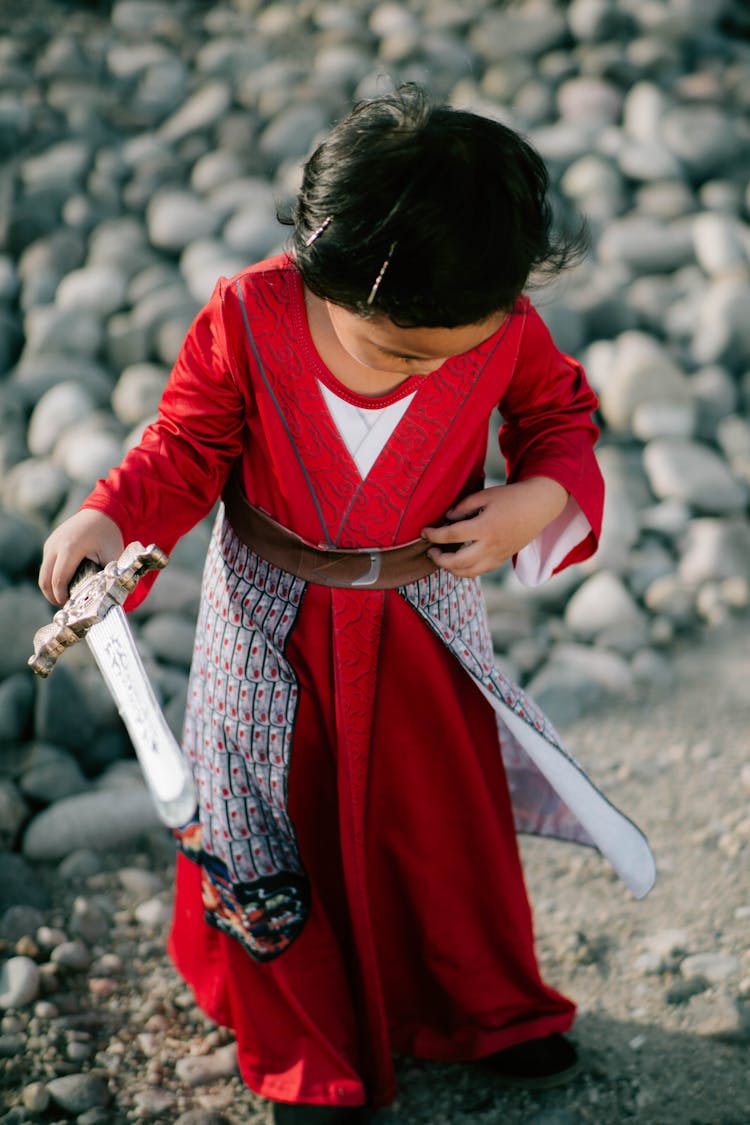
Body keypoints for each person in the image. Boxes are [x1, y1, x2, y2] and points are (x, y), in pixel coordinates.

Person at [39, 86, 654, 1125]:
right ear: (323, 272)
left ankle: (485, 1006)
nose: (434, 368)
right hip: (270, 624)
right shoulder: (248, 316)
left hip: (424, 621)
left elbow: (560, 418)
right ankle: (304, 1055)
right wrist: (111, 519)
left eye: (459, 346)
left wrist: (539, 499)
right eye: (404, 352)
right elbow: (184, 447)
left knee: (443, 822)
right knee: (265, 832)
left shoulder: (500, 328)